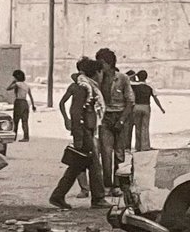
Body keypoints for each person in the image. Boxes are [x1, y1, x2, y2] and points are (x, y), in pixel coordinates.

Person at [50, 58, 110, 210]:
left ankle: (58, 196)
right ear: (96, 73)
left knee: (77, 165)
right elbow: (76, 112)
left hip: (86, 131)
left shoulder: (85, 86)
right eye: (100, 72)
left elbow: (64, 104)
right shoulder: (84, 88)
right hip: (84, 132)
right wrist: (77, 134)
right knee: (94, 165)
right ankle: (98, 198)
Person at [96, 48, 135, 195]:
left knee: (119, 153)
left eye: (102, 63)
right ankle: (107, 184)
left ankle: (117, 185)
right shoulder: (98, 79)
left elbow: (130, 102)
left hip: (120, 116)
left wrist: (122, 120)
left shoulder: (123, 78)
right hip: (105, 118)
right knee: (106, 153)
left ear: (109, 63)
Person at [58, 70, 92, 199]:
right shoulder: (76, 87)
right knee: (79, 155)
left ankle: (85, 188)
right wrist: (66, 119)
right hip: (78, 124)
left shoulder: (87, 87)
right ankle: (84, 188)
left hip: (84, 123)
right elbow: (61, 103)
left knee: (82, 156)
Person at [130, 70, 164, 152]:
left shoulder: (134, 86)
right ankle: (145, 146)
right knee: (145, 127)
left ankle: (138, 146)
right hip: (146, 107)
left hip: (136, 107)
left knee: (138, 127)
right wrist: (161, 108)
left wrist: (134, 75)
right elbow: (155, 98)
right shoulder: (149, 87)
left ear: (138, 77)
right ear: (146, 77)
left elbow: (127, 80)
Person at [6, 69, 35, 142]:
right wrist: (33, 105)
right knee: (25, 121)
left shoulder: (17, 84)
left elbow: (8, 88)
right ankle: (26, 137)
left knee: (16, 120)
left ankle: (14, 136)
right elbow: (31, 96)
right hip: (25, 102)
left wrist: (13, 82)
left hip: (18, 102)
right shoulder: (26, 85)